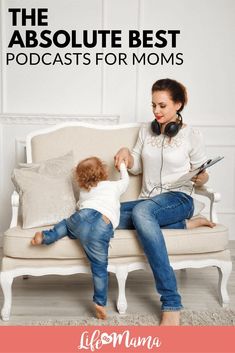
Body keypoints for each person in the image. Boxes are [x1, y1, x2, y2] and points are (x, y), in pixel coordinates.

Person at [114, 78, 215, 326]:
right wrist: (127, 154)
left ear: (178, 105)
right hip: (148, 201)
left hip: (179, 198)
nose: (156, 112)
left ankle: (171, 301)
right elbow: (136, 167)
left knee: (141, 213)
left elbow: (202, 174)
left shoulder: (192, 135)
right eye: (153, 106)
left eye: (162, 106)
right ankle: (183, 225)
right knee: (104, 213)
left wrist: (202, 177)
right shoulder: (145, 131)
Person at [31, 156, 129, 320]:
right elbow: (126, 182)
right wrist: (123, 166)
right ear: (103, 171)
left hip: (81, 216)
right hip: (102, 224)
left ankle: (46, 237)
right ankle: (99, 302)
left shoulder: (85, 192)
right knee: (99, 268)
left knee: (66, 226)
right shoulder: (113, 186)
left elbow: (79, 207)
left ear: (80, 180)